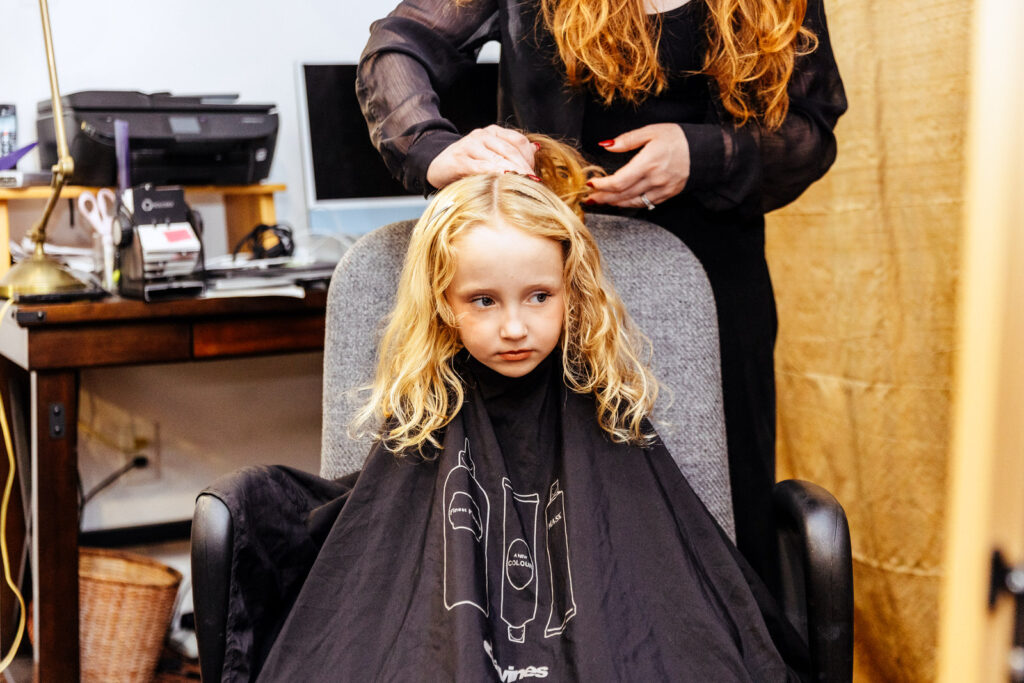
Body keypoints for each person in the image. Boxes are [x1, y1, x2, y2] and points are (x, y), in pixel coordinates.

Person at [205, 137, 808, 681]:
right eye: (484, 300)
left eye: (539, 296)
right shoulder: (430, 406)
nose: (514, 328)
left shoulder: (601, 400)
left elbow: (648, 580)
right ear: (443, 302)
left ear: (572, 291)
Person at [356, 0, 847, 593]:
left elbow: (810, 130)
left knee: (721, 507)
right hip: (543, 277)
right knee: (549, 510)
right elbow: (397, 46)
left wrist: (703, 153)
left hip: (714, 287)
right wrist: (431, 146)